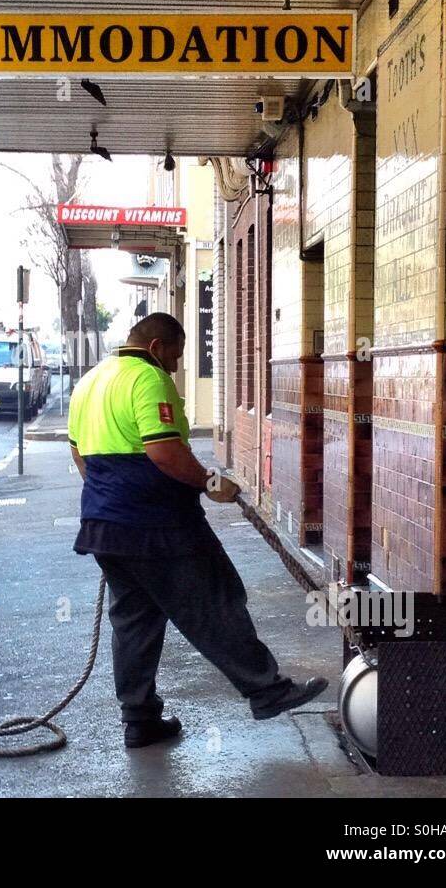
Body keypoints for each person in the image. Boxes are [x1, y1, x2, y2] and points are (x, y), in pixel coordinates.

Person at [68, 312, 327, 749]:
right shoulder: (147, 379)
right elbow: (165, 452)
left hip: (105, 526)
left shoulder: (90, 382)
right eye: (175, 354)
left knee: (135, 622)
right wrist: (210, 482)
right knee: (216, 600)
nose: (175, 365)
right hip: (159, 527)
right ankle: (267, 690)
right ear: (156, 348)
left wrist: (113, 502)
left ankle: (140, 719)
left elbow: (79, 456)